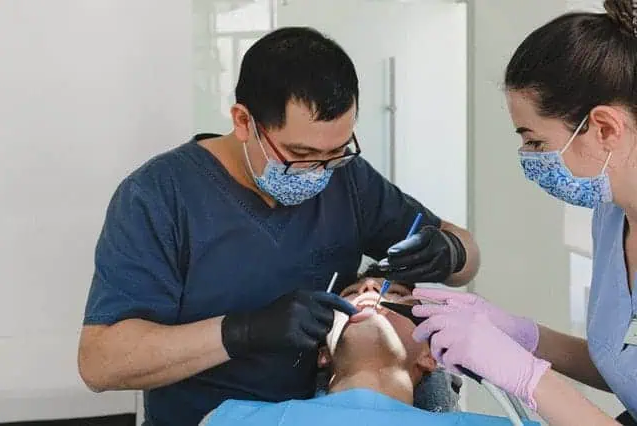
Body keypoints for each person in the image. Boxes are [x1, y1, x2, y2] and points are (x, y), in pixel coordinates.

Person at [77, 27, 480, 426]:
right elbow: (101, 363)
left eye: (336, 152)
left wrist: (452, 252)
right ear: (243, 120)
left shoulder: (350, 181)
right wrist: (244, 331)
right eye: (300, 153)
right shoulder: (159, 196)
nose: (319, 172)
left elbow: (466, 258)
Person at [409, 1, 637, 425]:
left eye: (535, 142)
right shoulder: (611, 218)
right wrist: (525, 337)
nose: (528, 158)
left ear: (604, 128)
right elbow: (625, 363)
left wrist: (528, 378)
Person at [201, 277, 537, 426]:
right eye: (350, 292)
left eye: (399, 295)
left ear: (430, 356)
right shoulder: (231, 419)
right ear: (323, 353)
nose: (370, 289)